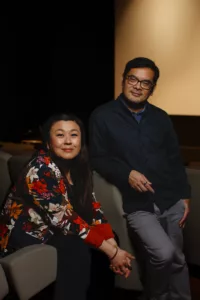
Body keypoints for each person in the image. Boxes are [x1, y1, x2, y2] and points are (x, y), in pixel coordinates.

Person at [0, 113, 134, 300]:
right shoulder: (40, 170)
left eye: (74, 135)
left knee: (110, 236)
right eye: (60, 135)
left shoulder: (79, 167)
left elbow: (92, 207)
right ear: (48, 142)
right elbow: (65, 220)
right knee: (76, 246)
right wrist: (113, 252)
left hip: (54, 230)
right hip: (25, 240)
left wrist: (111, 243)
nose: (68, 141)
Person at [89, 57, 191, 300]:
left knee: (177, 259)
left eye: (146, 83)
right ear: (123, 80)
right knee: (164, 254)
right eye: (133, 79)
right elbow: (98, 158)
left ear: (152, 88)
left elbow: (174, 159)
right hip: (138, 205)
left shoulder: (161, 117)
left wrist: (185, 195)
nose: (137, 86)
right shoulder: (102, 116)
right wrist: (126, 174)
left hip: (171, 200)